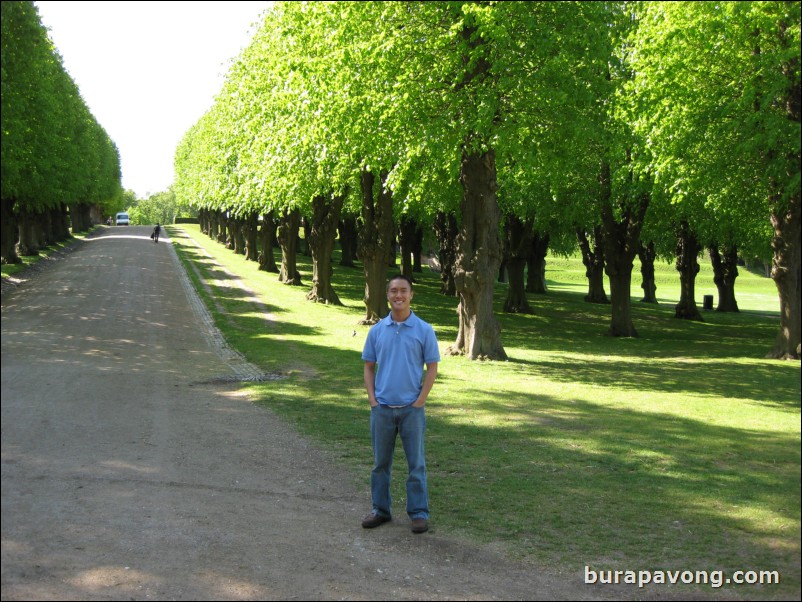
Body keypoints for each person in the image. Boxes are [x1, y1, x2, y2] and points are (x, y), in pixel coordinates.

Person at [361, 274, 440, 534]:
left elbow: (432, 368)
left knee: (416, 464)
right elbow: (369, 366)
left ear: (411, 295)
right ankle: (380, 510)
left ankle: (418, 513)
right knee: (380, 464)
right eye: (393, 290)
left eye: (403, 290)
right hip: (382, 409)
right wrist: (372, 399)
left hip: (411, 410)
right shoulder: (377, 330)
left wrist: (420, 400)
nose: (398, 295)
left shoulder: (424, 330)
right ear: (387, 295)